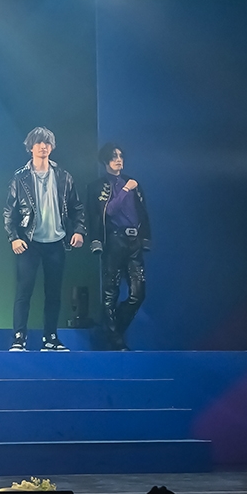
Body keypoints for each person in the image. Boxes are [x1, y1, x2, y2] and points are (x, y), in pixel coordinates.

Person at [3, 127, 86, 352]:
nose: (43, 147)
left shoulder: (64, 176)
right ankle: (19, 338)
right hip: (29, 242)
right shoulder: (20, 177)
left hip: (56, 242)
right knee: (24, 292)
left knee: (53, 294)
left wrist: (79, 230)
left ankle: (50, 338)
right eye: (39, 143)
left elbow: (77, 207)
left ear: (52, 147)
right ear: (30, 147)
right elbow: (9, 211)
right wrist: (13, 237)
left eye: (47, 143)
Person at [87, 143, 150, 351]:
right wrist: (124, 190)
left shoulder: (133, 183)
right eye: (114, 157)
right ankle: (115, 339)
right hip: (114, 241)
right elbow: (108, 211)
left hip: (134, 241)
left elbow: (143, 213)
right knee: (110, 292)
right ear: (105, 160)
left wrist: (145, 239)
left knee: (138, 293)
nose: (118, 160)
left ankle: (111, 331)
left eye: (121, 156)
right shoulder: (98, 186)